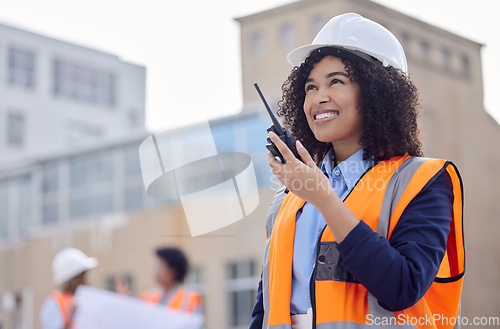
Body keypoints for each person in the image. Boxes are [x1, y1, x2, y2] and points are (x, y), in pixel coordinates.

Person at [250, 13, 464, 329]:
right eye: (310, 87)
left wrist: (323, 198)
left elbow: (401, 288)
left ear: (378, 93)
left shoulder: (423, 181)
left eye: (336, 81)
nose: (318, 97)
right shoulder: (286, 201)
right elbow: (264, 307)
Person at [40, 247, 98, 329]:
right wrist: (71, 319)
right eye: (84, 276)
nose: (88, 280)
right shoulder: (55, 302)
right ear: (74, 278)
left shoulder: (83, 300)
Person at [140, 247, 203, 314]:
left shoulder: (190, 299)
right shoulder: (147, 296)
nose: (156, 270)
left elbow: (196, 323)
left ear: (172, 271)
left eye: (161, 266)